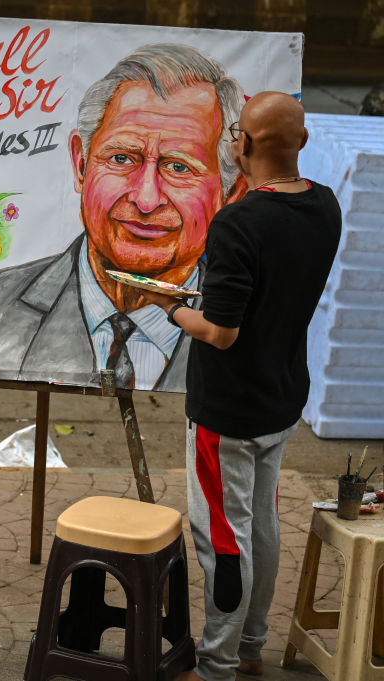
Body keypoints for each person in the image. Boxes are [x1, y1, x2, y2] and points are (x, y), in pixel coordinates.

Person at [140, 93, 341, 681]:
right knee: (262, 525)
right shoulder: (324, 207)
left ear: (241, 146)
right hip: (280, 396)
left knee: (225, 538)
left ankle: (217, 666)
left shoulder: (240, 222)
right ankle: (251, 647)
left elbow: (221, 333)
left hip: (227, 410)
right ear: (301, 143)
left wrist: (167, 307)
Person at [0, 43, 247, 391]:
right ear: (81, 164)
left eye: (179, 167)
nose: (146, 200)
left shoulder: (248, 322)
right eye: (121, 158)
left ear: (231, 191)